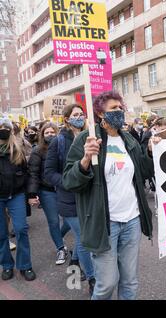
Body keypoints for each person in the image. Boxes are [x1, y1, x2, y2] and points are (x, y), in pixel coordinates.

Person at [62, 91, 154, 300]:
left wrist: (148, 152)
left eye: (120, 107)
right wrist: (85, 159)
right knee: (106, 284)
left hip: (131, 220)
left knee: (130, 282)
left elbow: (144, 172)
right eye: (113, 108)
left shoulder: (128, 139)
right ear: (100, 114)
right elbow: (69, 180)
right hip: (105, 224)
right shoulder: (87, 139)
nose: (119, 111)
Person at [45, 104, 95, 294]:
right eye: (75, 115)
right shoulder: (58, 142)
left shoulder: (90, 136)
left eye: (82, 114)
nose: (80, 117)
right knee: (84, 239)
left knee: (87, 237)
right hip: (69, 200)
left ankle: (75, 259)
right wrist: (68, 181)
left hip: (89, 197)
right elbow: (49, 173)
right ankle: (92, 279)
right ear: (66, 119)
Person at [27, 122, 71, 265]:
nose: (50, 135)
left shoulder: (64, 147)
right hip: (47, 191)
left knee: (70, 220)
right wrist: (32, 194)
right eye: (47, 133)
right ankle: (60, 248)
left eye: (53, 132)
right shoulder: (37, 151)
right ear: (42, 135)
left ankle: (58, 236)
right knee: (53, 221)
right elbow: (33, 173)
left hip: (64, 188)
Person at [0, 117, 36, 281]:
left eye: (5, 127)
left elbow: (27, 174)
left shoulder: (17, 149)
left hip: (16, 194)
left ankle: (25, 265)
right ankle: (7, 265)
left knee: (21, 229)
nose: (3, 129)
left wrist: (30, 194)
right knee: (1, 234)